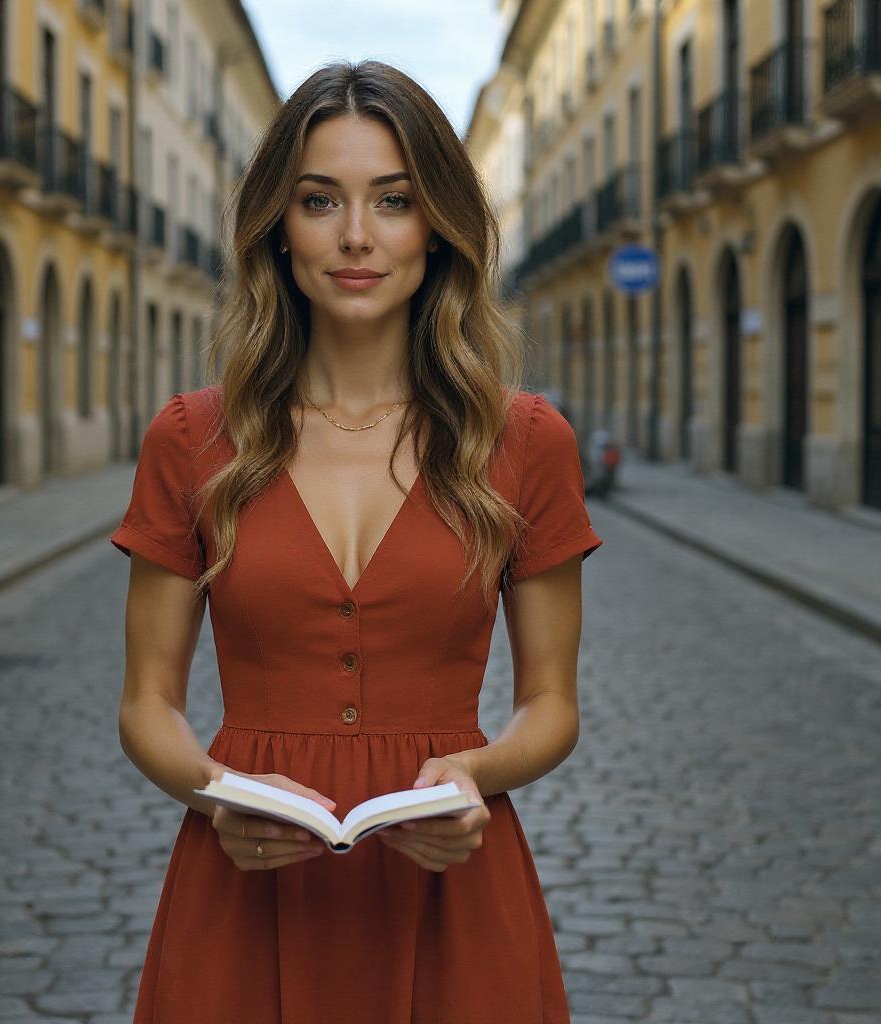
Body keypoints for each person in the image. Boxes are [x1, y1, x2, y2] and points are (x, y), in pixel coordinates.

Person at [110, 59, 603, 1023]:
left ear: (439, 228)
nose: (355, 236)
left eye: (393, 200)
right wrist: (217, 795)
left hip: (454, 881)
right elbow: (145, 705)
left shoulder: (526, 442)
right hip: (243, 886)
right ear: (277, 230)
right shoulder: (190, 438)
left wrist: (476, 775)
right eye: (319, 200)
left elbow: (551, 704)